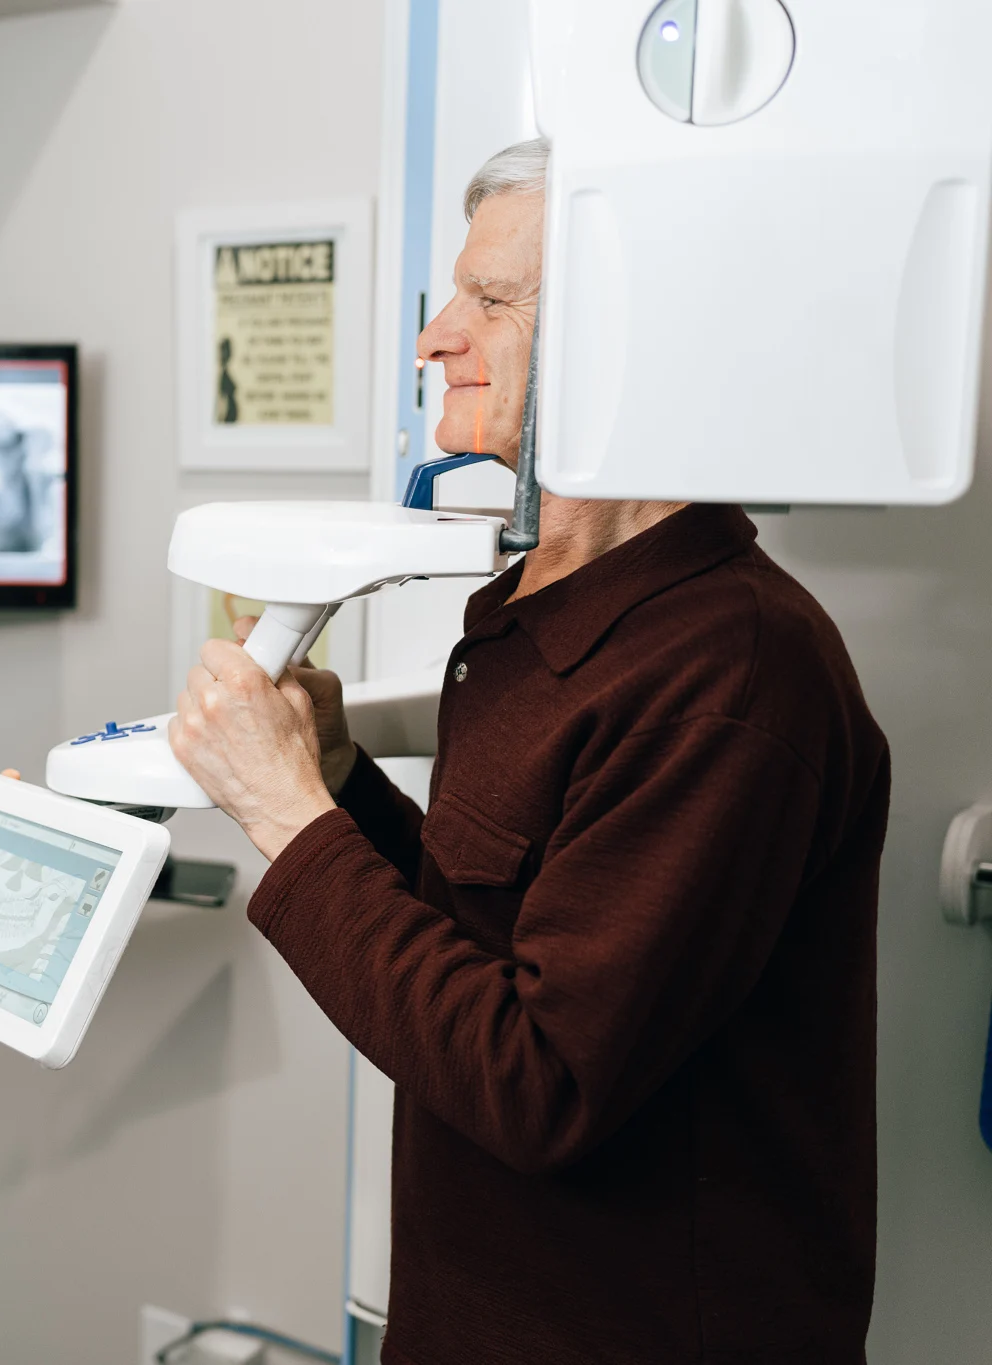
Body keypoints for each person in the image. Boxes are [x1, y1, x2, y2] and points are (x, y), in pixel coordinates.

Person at [167, 139, 890, 1363]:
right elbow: (492, 944)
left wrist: (288, 820)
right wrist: (338, 782)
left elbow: (537, 1080)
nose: (434, 337)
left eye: (492, 303)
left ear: (635, 347)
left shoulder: (730, 672)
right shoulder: (541, 617)